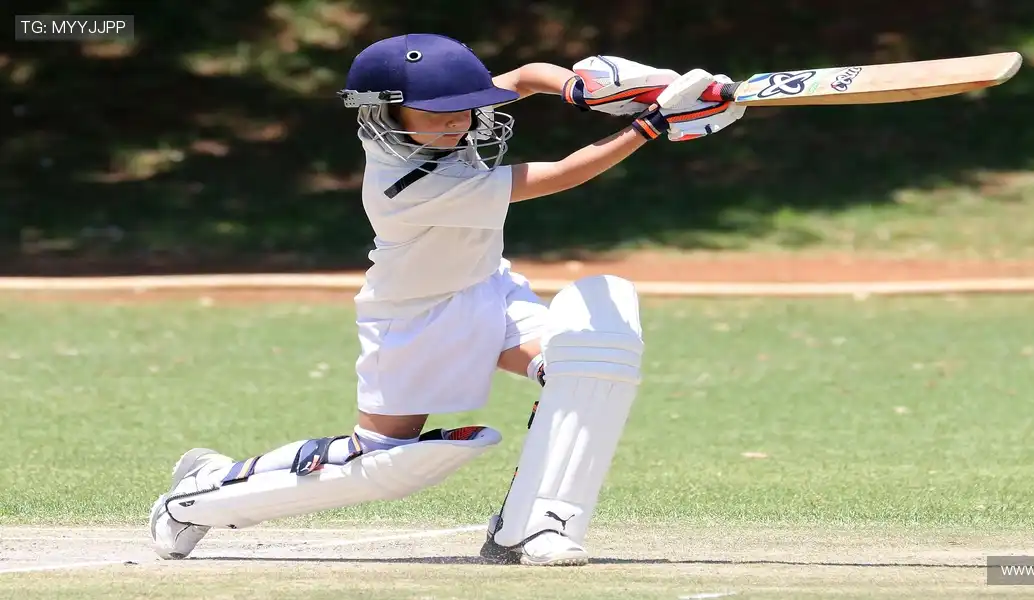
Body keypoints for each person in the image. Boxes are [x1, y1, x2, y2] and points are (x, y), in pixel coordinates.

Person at [148, 33, 745, 566]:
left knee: (584, 362)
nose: (456, 123)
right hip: (415, 315)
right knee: (380, 460)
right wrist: (650, 126)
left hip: (490, 285)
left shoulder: (445, 115)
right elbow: (561, 174)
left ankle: (530, 529)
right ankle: (197, 497)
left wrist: (579, 89)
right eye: (435, 114)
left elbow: (526, 75)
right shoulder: (409, 182)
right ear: (383, 111)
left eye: (463, 109)